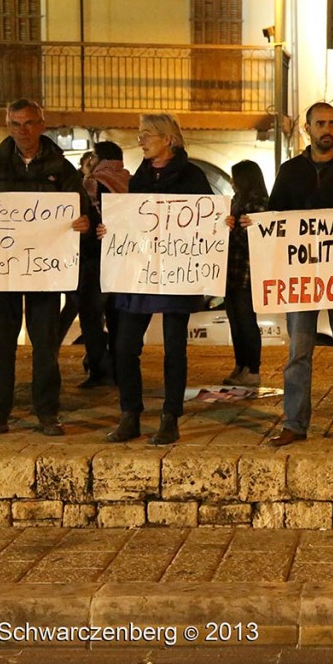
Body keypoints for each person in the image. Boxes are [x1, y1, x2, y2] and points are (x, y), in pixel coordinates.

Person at [0, 98, 92, 438]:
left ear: (42, 125)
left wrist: (84, 223)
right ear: (8, 126)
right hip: (0, 273)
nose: (23, 131)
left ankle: (48, 413)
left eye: (30, 123)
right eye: (16, 124)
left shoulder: (62, 170)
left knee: (45, 345)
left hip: (46, 273)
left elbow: (85, 210)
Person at [266, 102, 333, 448]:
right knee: (298, 353)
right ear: (307, 129)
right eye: (320, 124)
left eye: (332, 123)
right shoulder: (289, 172)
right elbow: (273, 221)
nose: (327, 129)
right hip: (301, 279)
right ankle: (294, 424)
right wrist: (249, 224)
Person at [102, 114, 212, 446]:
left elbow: (206, 219)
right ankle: (130, 415)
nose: (141, 139)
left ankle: (170, 417)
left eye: (147, 134)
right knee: (123, 347)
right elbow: (132, 220)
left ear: (168, 139)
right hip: (141, 273)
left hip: (176, 276)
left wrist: (224, 222)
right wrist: (111, 231)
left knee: (174, 350)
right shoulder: (139, 178)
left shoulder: (193, 177)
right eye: (139, 134)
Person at [70, 140, 130, 388]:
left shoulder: (92, 183)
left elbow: (87, 218)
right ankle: (120, 367)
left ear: (100, 158)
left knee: (92, 315)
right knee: (118, 316)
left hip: (96, 258)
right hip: (125, 257)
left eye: (92, 156)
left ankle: (99, 368)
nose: (89, 161)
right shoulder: (131, 182)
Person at [222, 160, 266, 387]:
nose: (231, 182)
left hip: (248, 272)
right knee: (235, 320)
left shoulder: (260, 205)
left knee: (247, 320)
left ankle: (253, 368)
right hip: (231, 270)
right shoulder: (236, 201)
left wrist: (231, 229)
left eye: (234, 177)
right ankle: (240, 365)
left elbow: (255, 240)